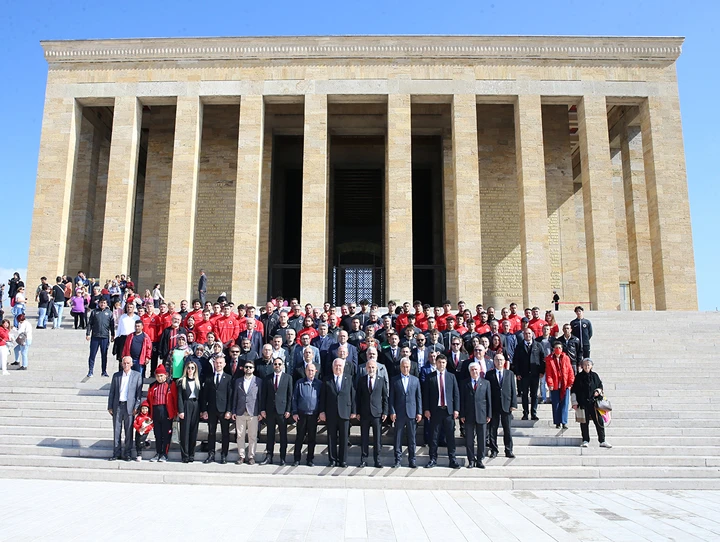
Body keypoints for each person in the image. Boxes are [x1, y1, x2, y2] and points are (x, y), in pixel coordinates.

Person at [423, 354, 460, 469]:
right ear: (436, 363)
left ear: (446, 363)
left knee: (450, 437)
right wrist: (426, 409)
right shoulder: (430, 377)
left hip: (448, 411)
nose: (441, 364)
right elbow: (426, 396)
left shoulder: (451, 377)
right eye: (439, 362)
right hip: (435, 411)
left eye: (443, 362)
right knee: (433, 437)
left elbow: (456, 394)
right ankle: (433, 459)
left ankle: (452, 459)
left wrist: (456, 409)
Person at [319, 358, 356, 467]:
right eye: (336, 366)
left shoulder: (349, 378)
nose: (338, 367)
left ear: (343, 367)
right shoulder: (327, 380)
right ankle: (332, 460)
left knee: (344, 438)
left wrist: (353, 411)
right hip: (331, 413)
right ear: (332, 367)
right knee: (331, 437)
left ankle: (343, 460)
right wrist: (322, 411)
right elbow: (323, 397)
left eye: (340, 366)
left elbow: (352, 396)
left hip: (345, 412)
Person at [107, 356, 143, 461]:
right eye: (124, 363)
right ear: (121, 364)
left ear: (131, 364)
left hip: (130, 406)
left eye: (128, 363)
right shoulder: (116, 376)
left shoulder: (137, 376)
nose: (126, 365)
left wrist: (136, 407)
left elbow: (138, 394)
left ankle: (127, 453)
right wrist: (110, 406)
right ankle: (116, 453)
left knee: (128, 431)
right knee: (117, 431)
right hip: (117, 405)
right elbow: (112, 392)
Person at [389, 358, 422, 468]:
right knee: (398, 437)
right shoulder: (394, 380)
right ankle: (397, 460)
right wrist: (392, 411)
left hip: (412, 413)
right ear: (400, 367)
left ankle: (412, 460)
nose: (405, 368)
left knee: (412, 438)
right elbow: (391, 398)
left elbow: (418, 398)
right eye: (403, 366)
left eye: (407, 366)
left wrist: (419, 412)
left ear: (410, 367)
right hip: (399, 413)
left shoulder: (415, 380)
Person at [571, 358, 612, 448]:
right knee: (584, 423)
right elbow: (573, 390)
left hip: (594, 404)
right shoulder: (579, 377)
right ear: (582, 366)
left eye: (588, 365)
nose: (587, 366)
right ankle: (585, 440)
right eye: (585, 365)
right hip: (583, 404)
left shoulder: (595, 376)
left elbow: (600, 386)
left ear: (591, 366)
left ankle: (602, 440)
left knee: (599, 421)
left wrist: (598, 391)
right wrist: (574, 402)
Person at [355, 358, 388, 468]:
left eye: (373, 367)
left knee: (377, 439)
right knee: (364, 438)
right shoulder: (362, 380)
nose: (371, 369)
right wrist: (358, 412)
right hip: (364, 413)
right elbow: (358, 397)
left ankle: (377, 460)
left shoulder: (381, 380)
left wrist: (385, 411)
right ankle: (364, 459)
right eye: (369, 367)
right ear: (366, 368)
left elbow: (385, 397)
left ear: (376, 368)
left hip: (377, 413)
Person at [260, 357, 292, 465]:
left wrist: (288, 410)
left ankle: (282, 457)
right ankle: (269, 456)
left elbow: (290, 395)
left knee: (283, 435)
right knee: (270, 435)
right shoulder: (267, 378)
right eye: (275, 364)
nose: (277, 366)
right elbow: (263, 395)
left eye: (279, 364)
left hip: (282, 411)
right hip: (270, 410)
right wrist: (262, 409)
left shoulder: (288, 378)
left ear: (283, 365)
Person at [201, 353, 233, 464]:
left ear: (224, 364)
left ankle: (224, 454)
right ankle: (211, 454)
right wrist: (204, 410)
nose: (218, 365)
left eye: (220, 363)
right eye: (216, 363)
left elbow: (230, 396)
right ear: (214, 364)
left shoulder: (229, 378)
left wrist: (229, 410)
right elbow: (204, 396)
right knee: (211, 433)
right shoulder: (209, 378)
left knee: (225, 433)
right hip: (211, 410)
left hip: (224, 410)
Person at [460, 361, 492, 468]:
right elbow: (462, 400)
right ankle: (471, 460)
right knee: (469, 440)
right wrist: (462, 414)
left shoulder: (486, 383)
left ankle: (480, 460)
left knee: (481, 439)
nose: (474, 371)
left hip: (482, 415)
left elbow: (488, 400)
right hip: (468, 415)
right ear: (469, 372)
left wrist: (489, 414)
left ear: (479, 371)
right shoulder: (464, 383)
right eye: (472, 370)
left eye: (476, 369)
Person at [486, 353, 517, 459]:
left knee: (507, 429)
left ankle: (508, 450)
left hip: (506, 405)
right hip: (494, 406)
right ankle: (494, 450)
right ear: (494, 361)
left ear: (504, 361)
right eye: (497, 360)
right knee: (492, 430)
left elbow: (513, 389)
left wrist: (513, 404)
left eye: (501, 360)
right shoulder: (489, 374)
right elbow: (488, 391)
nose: (499, 362)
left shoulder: (510, 374)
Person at [231, 358, 262, 465]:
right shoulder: (238, 381)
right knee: (240, 435)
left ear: (253, 369)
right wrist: (233, 411)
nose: (248, 369)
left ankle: (251, 456)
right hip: (240, 411)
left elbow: (260, 397)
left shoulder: (258, 381)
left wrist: (260, 411)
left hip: (253, 411)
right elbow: (234, 396)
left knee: (252, 436)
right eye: (246, 367)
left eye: (250, 367)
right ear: (243, 369)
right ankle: (241, 456)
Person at [291, 362, 322, 467]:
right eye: (309, 370)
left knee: (312, 438)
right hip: (301, 414)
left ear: (316, 371)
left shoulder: (319, 384)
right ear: (305, 371)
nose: (310, 372)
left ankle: (310, 459)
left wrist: (320, 413)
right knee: (299, 437)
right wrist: (294, 412)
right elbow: (294, 398)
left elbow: (321, 399)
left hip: (314, 415)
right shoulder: (299, 383)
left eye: (312, 370)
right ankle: (296, 459)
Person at [146, 365, 177, 462]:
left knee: (166, 434)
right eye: (158, 376)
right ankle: (158, 452)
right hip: (156, 411)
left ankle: (165, 453)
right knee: (157, 434)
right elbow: (149, 399)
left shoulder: (170, 385)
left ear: (166, 375)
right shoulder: (152, 386)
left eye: (161, 376)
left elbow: (175, 399)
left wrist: (174, 412)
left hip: (166, 412)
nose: (160, 378)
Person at [513, 328, 545, 421]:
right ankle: (525, 413)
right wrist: (517, 373)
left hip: (535, 375)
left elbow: (542, 359)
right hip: (524, 375)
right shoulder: (519, 346)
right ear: (523, 335)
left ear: (532, 334)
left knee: (534, 395)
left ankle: (534, 413)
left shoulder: (538, 345)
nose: (528, 335)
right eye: (526, 334)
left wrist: (542, 371)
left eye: (529, 333)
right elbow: (516, 361)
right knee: (524, 394)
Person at [177, 360, 203, 463]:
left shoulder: (198, 381)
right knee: (185, 431)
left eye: (192, 368)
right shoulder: (181, 381)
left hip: (195, 405)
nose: (190, 370)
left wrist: (201, 410)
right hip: (186, 405)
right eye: (189, 368)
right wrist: (181, 410)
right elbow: (179, 397)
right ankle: (185, 455)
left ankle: (192, 454)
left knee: (193, 431)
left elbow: (200, 397)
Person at [545, 342, 575, 429]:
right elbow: (549, 373)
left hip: (564, 385)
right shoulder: (549, 359)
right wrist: (550, 384)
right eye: (556, 347)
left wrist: (570, 383)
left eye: (559, 347)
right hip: (555, 385)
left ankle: (564, 422)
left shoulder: (566, 358)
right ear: (554, 349)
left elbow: (570, 371)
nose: (558, 349)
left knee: (565, 404)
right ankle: (557, 422)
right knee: (556, 404)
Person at [86, 298, 115, 377]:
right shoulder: (94, 312)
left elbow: (112, 325)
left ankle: (104, 371)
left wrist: (113, 335)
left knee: (104, 355)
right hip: (95, 336)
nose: (102, 304)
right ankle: (90, 371)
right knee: (92, 354)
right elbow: (89, 324)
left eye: (104, 303)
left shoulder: (109, 313)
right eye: (101, 303)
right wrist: (88, 333)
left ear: (106, 304)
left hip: (105, 337)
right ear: (99, 303)